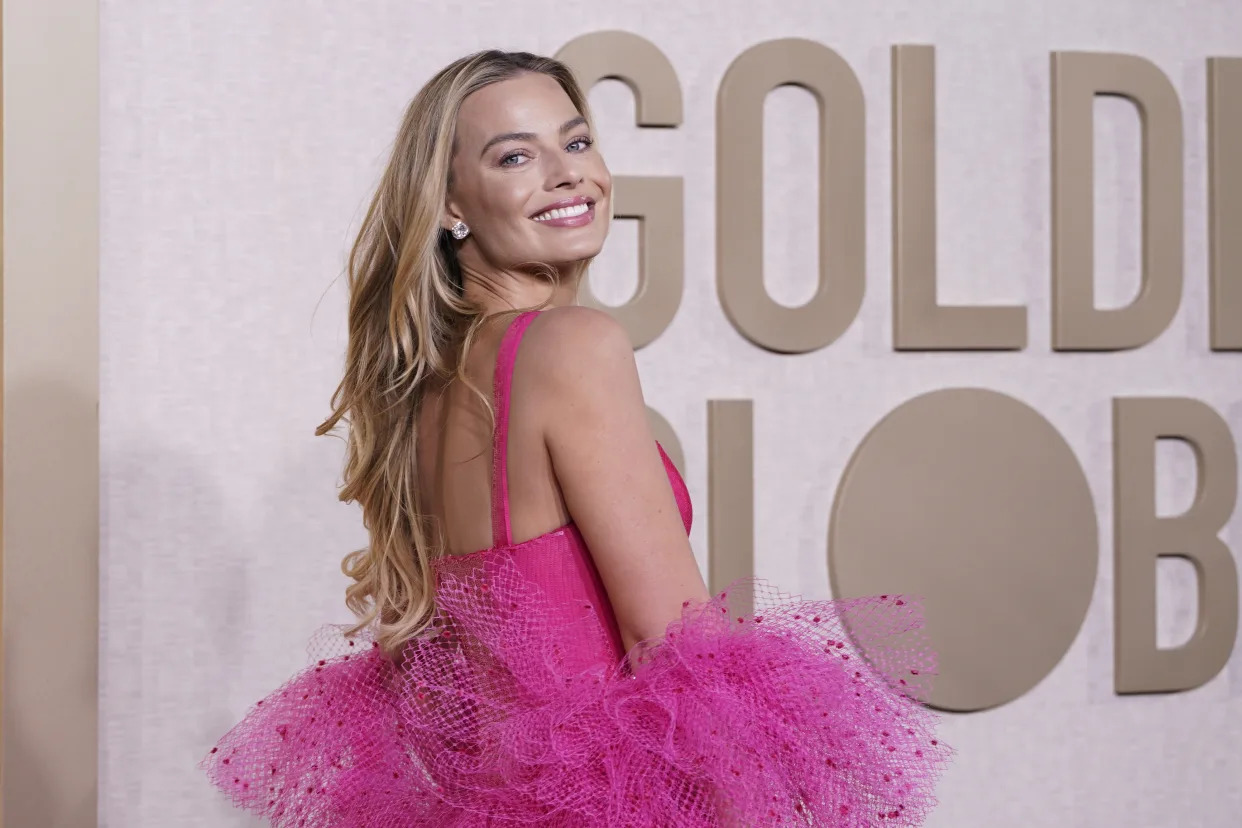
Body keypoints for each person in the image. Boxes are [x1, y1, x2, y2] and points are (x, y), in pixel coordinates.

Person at [201, 49, 951, 827]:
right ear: (451, 203)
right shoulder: (571, 346)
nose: (568, 174)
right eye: (517, 156)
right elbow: (670, 639)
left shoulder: (426, 388)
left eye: (578, 141)